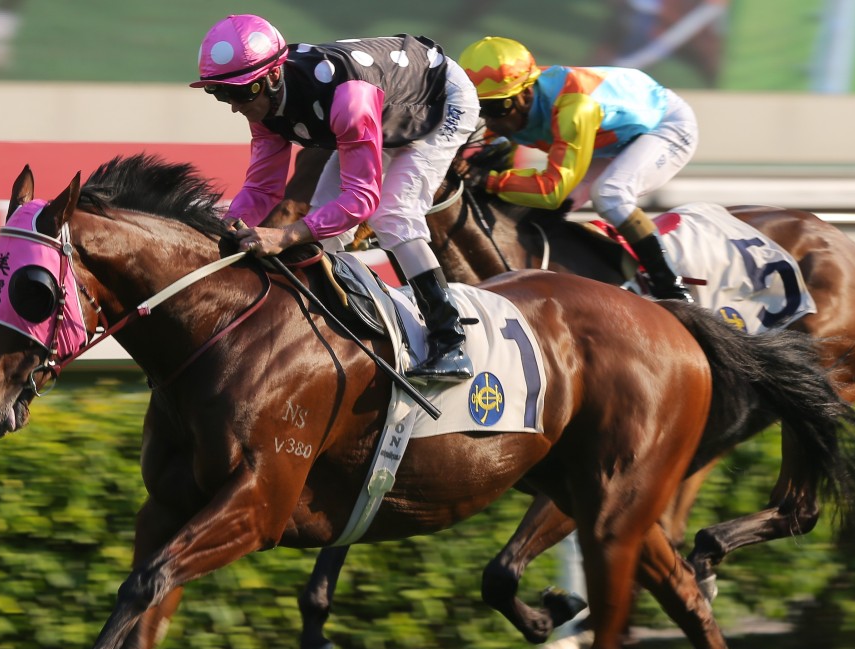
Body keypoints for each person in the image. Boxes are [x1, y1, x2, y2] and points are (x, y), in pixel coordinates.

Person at [192, 15, 479, 382]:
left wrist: (284, 236)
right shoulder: (263, 100)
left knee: (393, 214)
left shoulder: (347, 97)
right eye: (220, 93)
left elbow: (361, 201)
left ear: (274, 76)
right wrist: (228, 225)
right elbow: (263, 189)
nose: (234, 105)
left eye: (240, 92)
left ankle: (450, 340)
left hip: (437, 98)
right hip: (381, 109)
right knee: (322, 232)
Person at [457, 36, 697, 302]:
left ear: (525, 93)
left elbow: (551, 190)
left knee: (610, 194)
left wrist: (486, 179)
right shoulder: (511, 106)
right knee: (540, 212)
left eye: (495, 107)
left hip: (665, 125)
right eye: (479, 108)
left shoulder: (575, 107)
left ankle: (670, 287)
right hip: (605, 139)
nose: (488, 120)